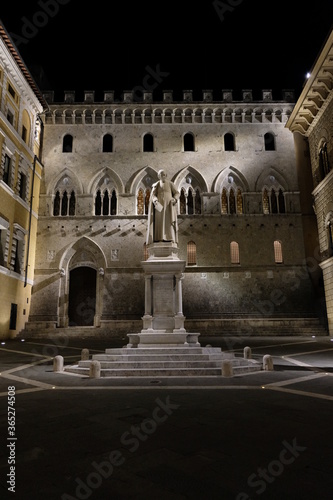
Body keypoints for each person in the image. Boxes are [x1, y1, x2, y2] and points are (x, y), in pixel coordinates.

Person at [146, 170, 180, 244]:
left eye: (164, 174)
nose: (163, 176)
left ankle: (170, 238)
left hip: (169, 206)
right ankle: (159, 238)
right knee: (159, 221)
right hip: (159, 206)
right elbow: (153, 194)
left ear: (166, 175)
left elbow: (177, 193)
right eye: (161, 175)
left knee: (169, 220)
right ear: (159, 176)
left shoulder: (170, 184)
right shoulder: (156, 184)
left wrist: (175, 199)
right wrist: (155, 200)